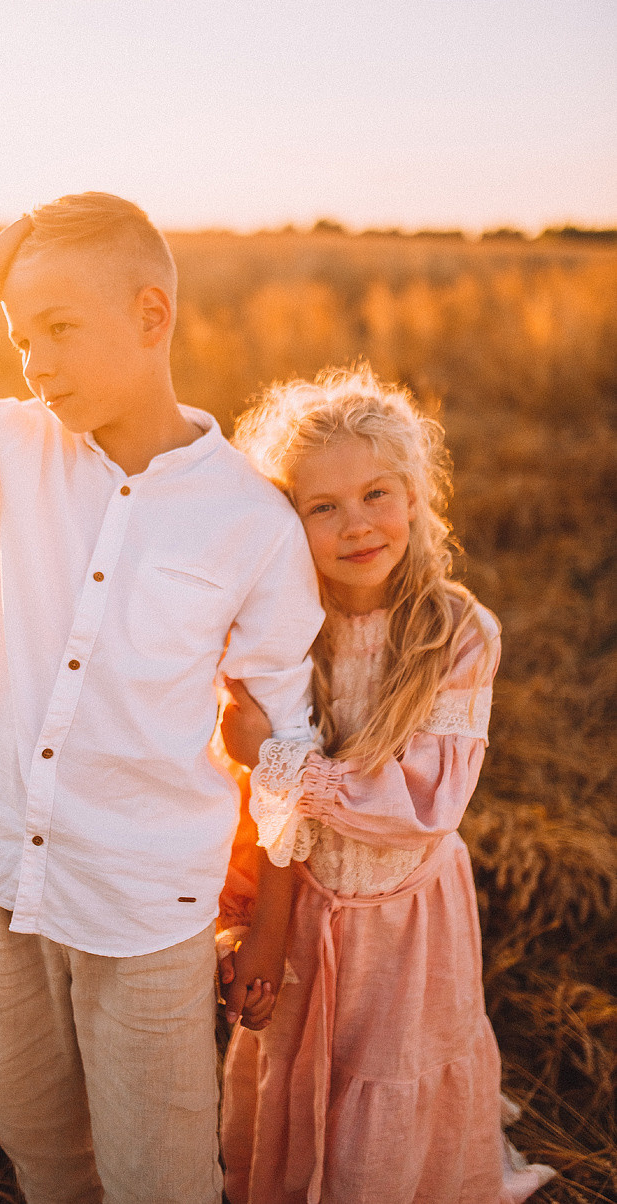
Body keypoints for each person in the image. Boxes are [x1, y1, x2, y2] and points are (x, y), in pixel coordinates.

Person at [0, 193, 326, 1204]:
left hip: (146, 896)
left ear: (151, 316)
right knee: (35, 1127)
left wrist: (270, 927)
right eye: (18, 338)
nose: (34, 365)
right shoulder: (13, 447)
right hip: (2, 863)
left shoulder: (251, 522)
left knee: (159, 1171)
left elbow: (286, 744)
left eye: (58, 329)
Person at [216, 365, 556, 1204]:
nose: (357, 525)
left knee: (389, 1078)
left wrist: (276, 759)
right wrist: (244, 921)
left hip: (409, 920)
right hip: (302, 910)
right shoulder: (276, 633)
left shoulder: (458, 634)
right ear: (284, 522)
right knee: (302, 1066)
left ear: (413, 495)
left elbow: (425, 805)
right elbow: (247, 808)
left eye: (375, 494)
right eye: (321, 507)